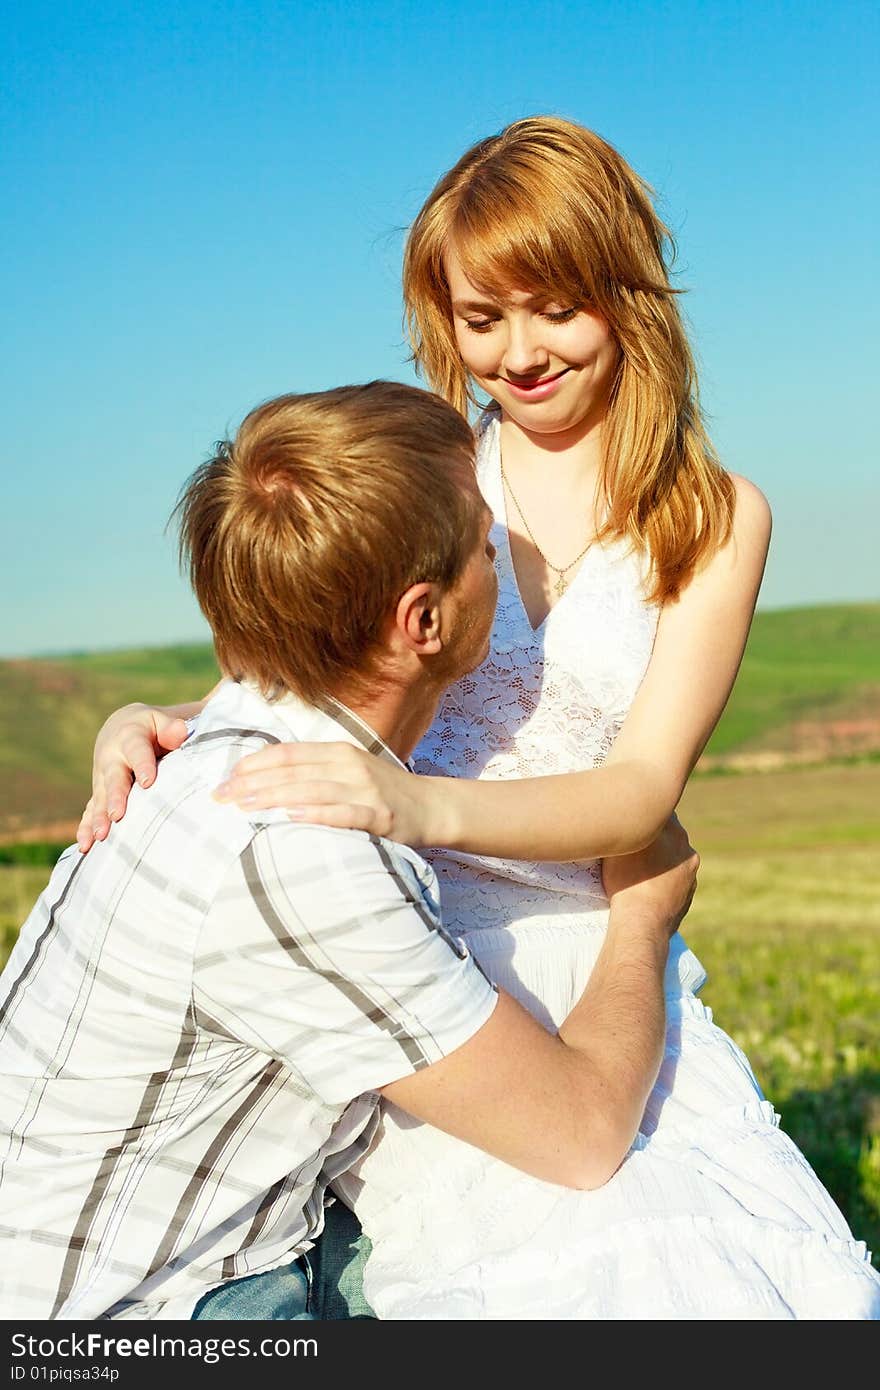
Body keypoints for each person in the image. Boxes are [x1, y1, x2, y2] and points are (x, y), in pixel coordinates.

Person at [78, 119, 880, 1318]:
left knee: (714, 1273)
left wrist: (419, 800)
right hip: (417, 956)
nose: (519, 352)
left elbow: (645, 790)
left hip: (588, 941)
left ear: (625, 288)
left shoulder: (717, 516)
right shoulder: (430, 467)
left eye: (553, 305)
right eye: (480, 318)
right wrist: (161, 715)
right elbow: (335, 673)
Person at [0, 381, 703, 1321]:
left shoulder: (203, 746)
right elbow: (581, 1135)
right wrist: (645, 917)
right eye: (486, 546)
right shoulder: (305, 856)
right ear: (425, 621)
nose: (509, 560)